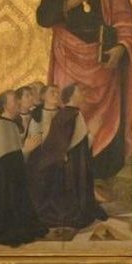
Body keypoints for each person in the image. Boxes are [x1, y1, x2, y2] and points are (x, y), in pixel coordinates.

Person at [33, 0, 132, 179]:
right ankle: (69, 178)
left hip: (104, 61)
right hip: (69, 56)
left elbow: (127, 20)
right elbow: (43, 17)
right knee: (71, 116)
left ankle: (102, 176)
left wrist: (121, 47)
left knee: (106, 124)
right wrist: (68, 3)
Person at [26, 84, 105, 231]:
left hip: (60, 161)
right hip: (49, 161)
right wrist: (93, 133)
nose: (83, 94)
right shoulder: (66, 115)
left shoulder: (65, 113)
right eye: (52, 92)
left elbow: (75, 145)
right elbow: (65, 146)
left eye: (57, 92)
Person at [0, 90, 45, 247]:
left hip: (9, 179)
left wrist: (26, 151)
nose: (18, 103)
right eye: (14, 100)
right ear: (5, 106)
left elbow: (13, 158)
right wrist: (26, 150)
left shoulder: (10, 123)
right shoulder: (0, 125)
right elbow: (3, 161)